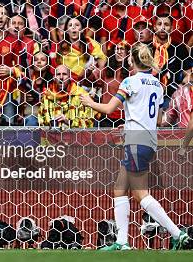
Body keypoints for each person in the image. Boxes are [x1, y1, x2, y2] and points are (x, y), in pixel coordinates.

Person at [80, 43, 191, 251]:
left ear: (132, 61)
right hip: (148, 140)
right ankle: (122, 242)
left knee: (140, 194)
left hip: (136, 141)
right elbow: (158, 119)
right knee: (119, 189)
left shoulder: (130, 81)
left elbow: (108, 108)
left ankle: (178, 234)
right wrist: (132, 120)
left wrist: (88, 102)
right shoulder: (157, 85)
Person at [38, 64, 95, 128]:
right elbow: (41, 121)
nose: (61, 77)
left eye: (64, 74)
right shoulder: (47, 95)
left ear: (70, 77)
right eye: (58, 74)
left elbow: (89, 123)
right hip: (52, 135)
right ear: (54, 77)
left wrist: (68, 122)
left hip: (75, 136)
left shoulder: (81, 95)